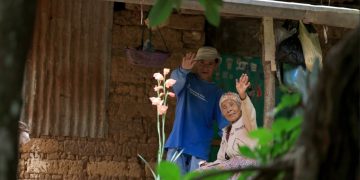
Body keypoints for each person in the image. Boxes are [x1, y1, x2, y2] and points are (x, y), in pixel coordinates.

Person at [165, 47, 229, 175]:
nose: (205, 67)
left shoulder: (217, 93)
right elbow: (173, 82)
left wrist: (231, 143)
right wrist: (183, 69)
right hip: (178, 144)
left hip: (200, 149)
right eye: (201, 62)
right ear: (195, 63)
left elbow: (225, 124)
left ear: (216, 65)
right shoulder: (187, 79)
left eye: (210, 63)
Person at [198, 73, 258, 173]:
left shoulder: (247, 123)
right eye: (224, 107)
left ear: (240, 107)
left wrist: (242, 95)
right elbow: (221, 160)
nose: (229, 109)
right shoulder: (226, 131)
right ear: (222, 114)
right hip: (232, 169)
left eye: (232, 104)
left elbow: (249, 113)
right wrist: (209, 166)